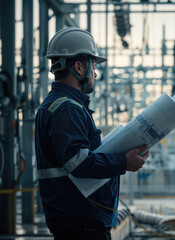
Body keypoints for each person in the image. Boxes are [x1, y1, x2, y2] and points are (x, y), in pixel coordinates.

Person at [35, 27, 149, 240]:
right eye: (93, 66)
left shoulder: (61, 106)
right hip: (81, 227)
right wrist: (123, 162)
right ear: (79, 67)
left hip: (77, 225)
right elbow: (78, 163)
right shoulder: (67, 109)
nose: (95, 73)